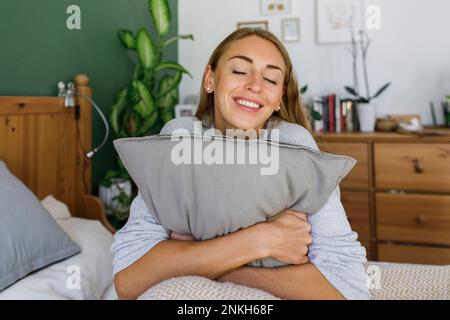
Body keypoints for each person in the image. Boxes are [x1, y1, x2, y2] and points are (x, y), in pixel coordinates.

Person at [111, 28, 369, 300]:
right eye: (239, 71)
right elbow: (129, 280)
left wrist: (206, 260)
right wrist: (263, 240)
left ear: (280, 96)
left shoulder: (293, 144)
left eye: (270, 78)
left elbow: (348, 288)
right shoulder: (181, 138)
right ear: (210, 79)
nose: (255, 85)